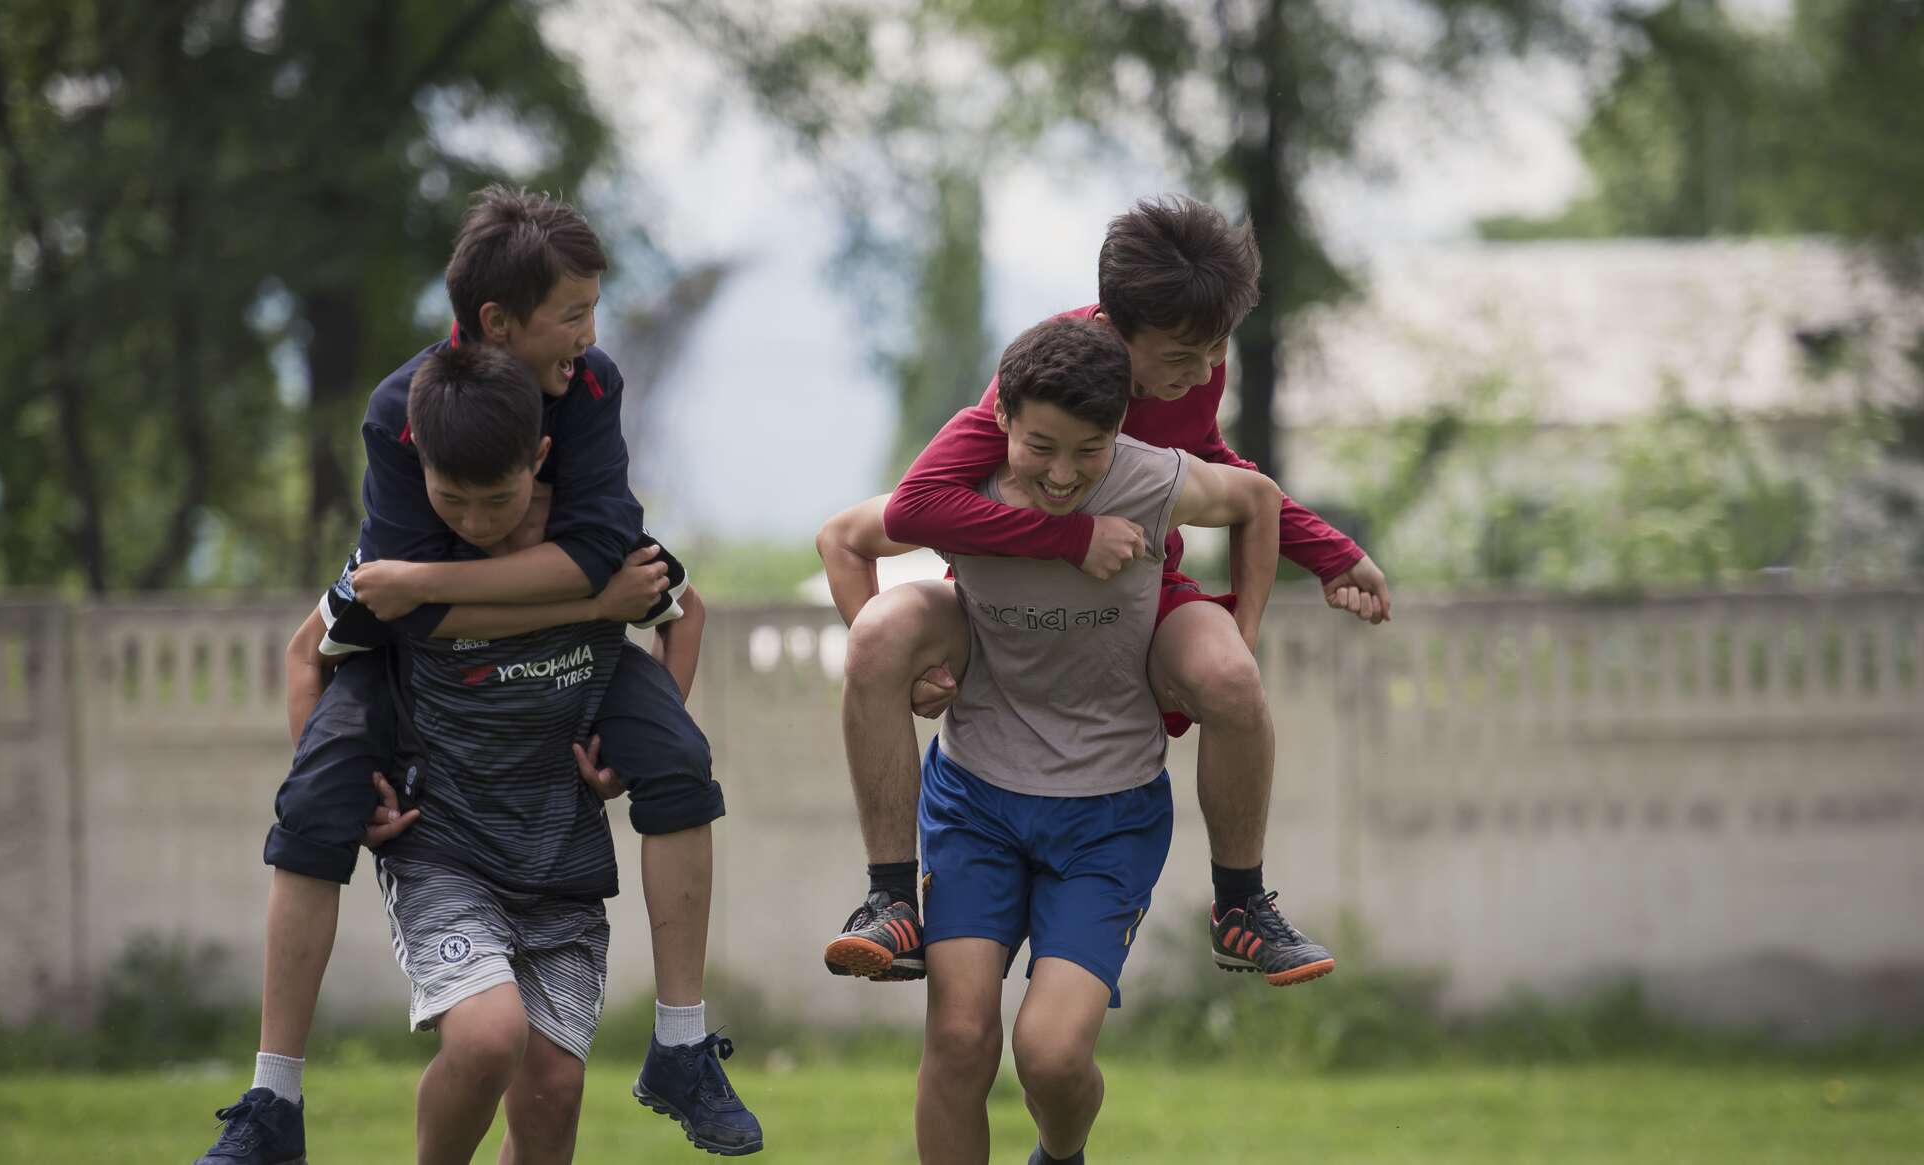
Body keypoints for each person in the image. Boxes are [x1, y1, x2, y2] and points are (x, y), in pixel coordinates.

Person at [194, 188, 758, 1164]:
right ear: (498, 322)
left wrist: (585, 609)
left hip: (557, 787)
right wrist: (428, 581)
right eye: (572, 313)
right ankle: (272, 1096)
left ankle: (679, 1038)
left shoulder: (584, 387)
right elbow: (398, 614)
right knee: (321, 788)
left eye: (590, 310)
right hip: (416, 693)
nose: (590, 334)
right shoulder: (404, 415)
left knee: (673, 758)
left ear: (539, 458)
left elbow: (607, 566)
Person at [822, 195, 1389, 988]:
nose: (1202, 372)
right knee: (881, 633)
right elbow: (916, 506)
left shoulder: (1194, 358)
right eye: (1182, 359)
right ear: (1118, 334)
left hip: (1139, 585)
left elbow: (1214, 462)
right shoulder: (1045, 379)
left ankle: (1241, 906)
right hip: (1007, 600)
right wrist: (1070, 535)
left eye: (1215, 351)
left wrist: (1326, 556)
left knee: (1230, 678)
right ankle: (890, 901)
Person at [823, 316, 1282, 1164]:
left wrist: (1239, 633)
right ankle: (888, 897)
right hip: (976, 804)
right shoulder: (958, 496)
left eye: (1090, 449)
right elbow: (845, 539)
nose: (1065, 474)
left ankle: (1060, 1156)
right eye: (1041, 447)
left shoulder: (1153, 481)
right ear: (1001, 421)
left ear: (1121, 430)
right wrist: (905, 674)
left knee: (1054, 1055)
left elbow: (1258, 502)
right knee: (960, 1039)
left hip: (1108, 816)